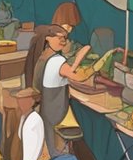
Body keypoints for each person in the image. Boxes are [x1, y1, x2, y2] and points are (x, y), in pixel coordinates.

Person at [25, 24, 91, 152]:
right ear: (47, 38)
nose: (63, 42)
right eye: (59, 38)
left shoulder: (42, 55)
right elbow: (78, 77)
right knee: (58, 145)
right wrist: (81, 56)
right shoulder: (57, 61)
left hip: (46, 107)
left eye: (65, 38)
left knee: (51, 141)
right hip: (56, 108)